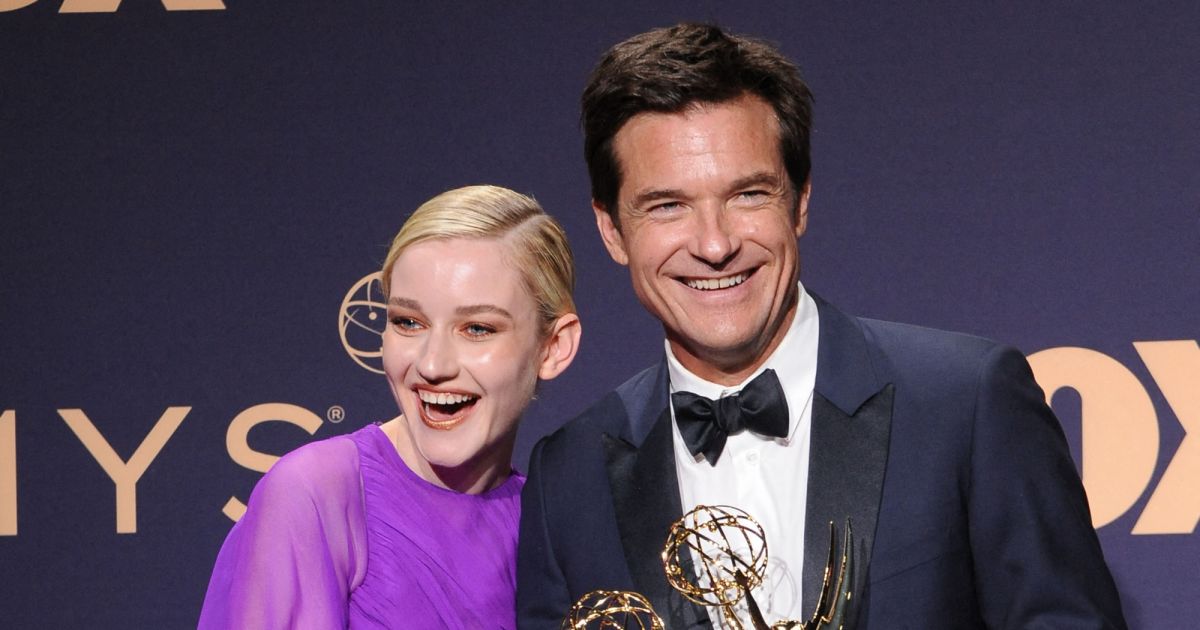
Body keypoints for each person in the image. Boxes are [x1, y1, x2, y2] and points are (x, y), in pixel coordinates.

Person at [516, 23, 1127, 629]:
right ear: (611, 230)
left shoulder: (966, 403)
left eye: (749, 195)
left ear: (800, 201)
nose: (715, 243)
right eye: (668, 206)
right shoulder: (569, 476)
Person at [200, 185, 581, 628]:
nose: (432, 364)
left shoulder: (547, 527)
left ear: (553, 347)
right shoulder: (319, 492)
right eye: (408, 322)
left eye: (477, 328)